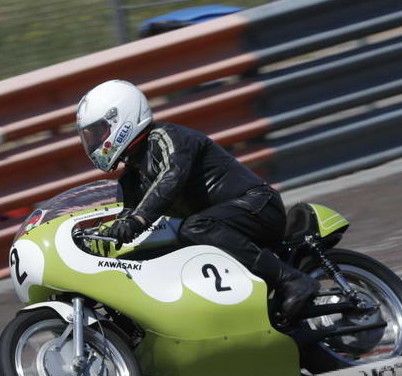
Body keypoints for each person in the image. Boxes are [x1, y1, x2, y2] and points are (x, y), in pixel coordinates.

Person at [75, 79, 319, 319]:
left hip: (257, 207)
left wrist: (138, 220)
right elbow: (126, 214)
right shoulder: (131, 177)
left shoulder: (167, 138)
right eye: (90, 136)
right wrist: (96, 241)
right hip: (220, 227)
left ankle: (291, 280)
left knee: (194, 227)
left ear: (120, 120)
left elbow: (171, 177)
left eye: (99, 132)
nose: (95, 142)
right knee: (160, 250)